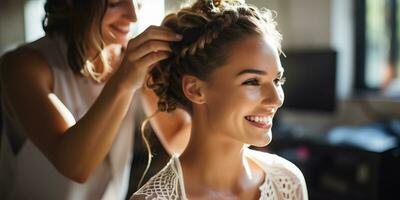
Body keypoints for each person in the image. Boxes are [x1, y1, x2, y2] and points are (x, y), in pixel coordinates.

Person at [0, 0, 191, 199]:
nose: (133, 16)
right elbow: (75, 166)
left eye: (139, 2)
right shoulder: (22, 66)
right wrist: (123, 81)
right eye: (115, 2)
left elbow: (178, 138)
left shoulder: (133, 59)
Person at [130, 0, 308, 199]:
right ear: (195, 89)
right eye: (252, 81)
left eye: (277, 80)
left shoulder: (288, 182)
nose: (276, 99)